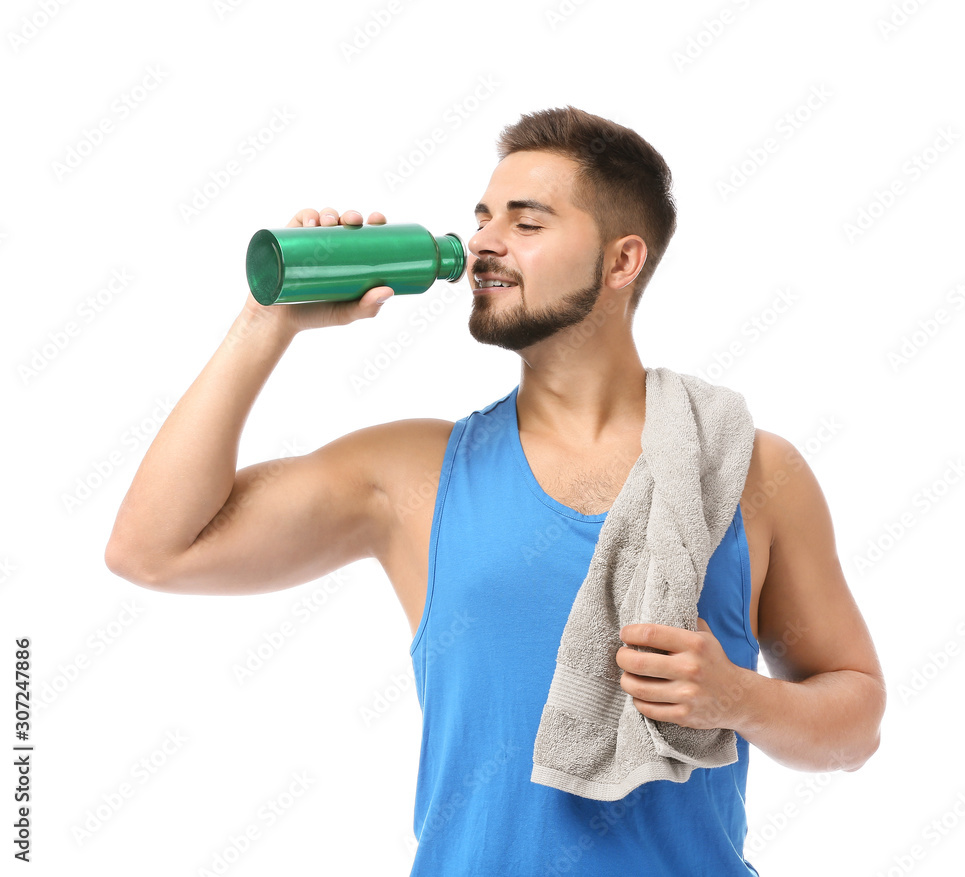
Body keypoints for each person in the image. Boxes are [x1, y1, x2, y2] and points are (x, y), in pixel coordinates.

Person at [105, 105, 885, 875]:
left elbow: (856, 721)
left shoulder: (748, 472)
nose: (482, 242)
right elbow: (153, 548)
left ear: (621, 262)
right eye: (481, 218)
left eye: (526, 222)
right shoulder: (413, 473)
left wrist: (739, 699)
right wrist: (265, 321)